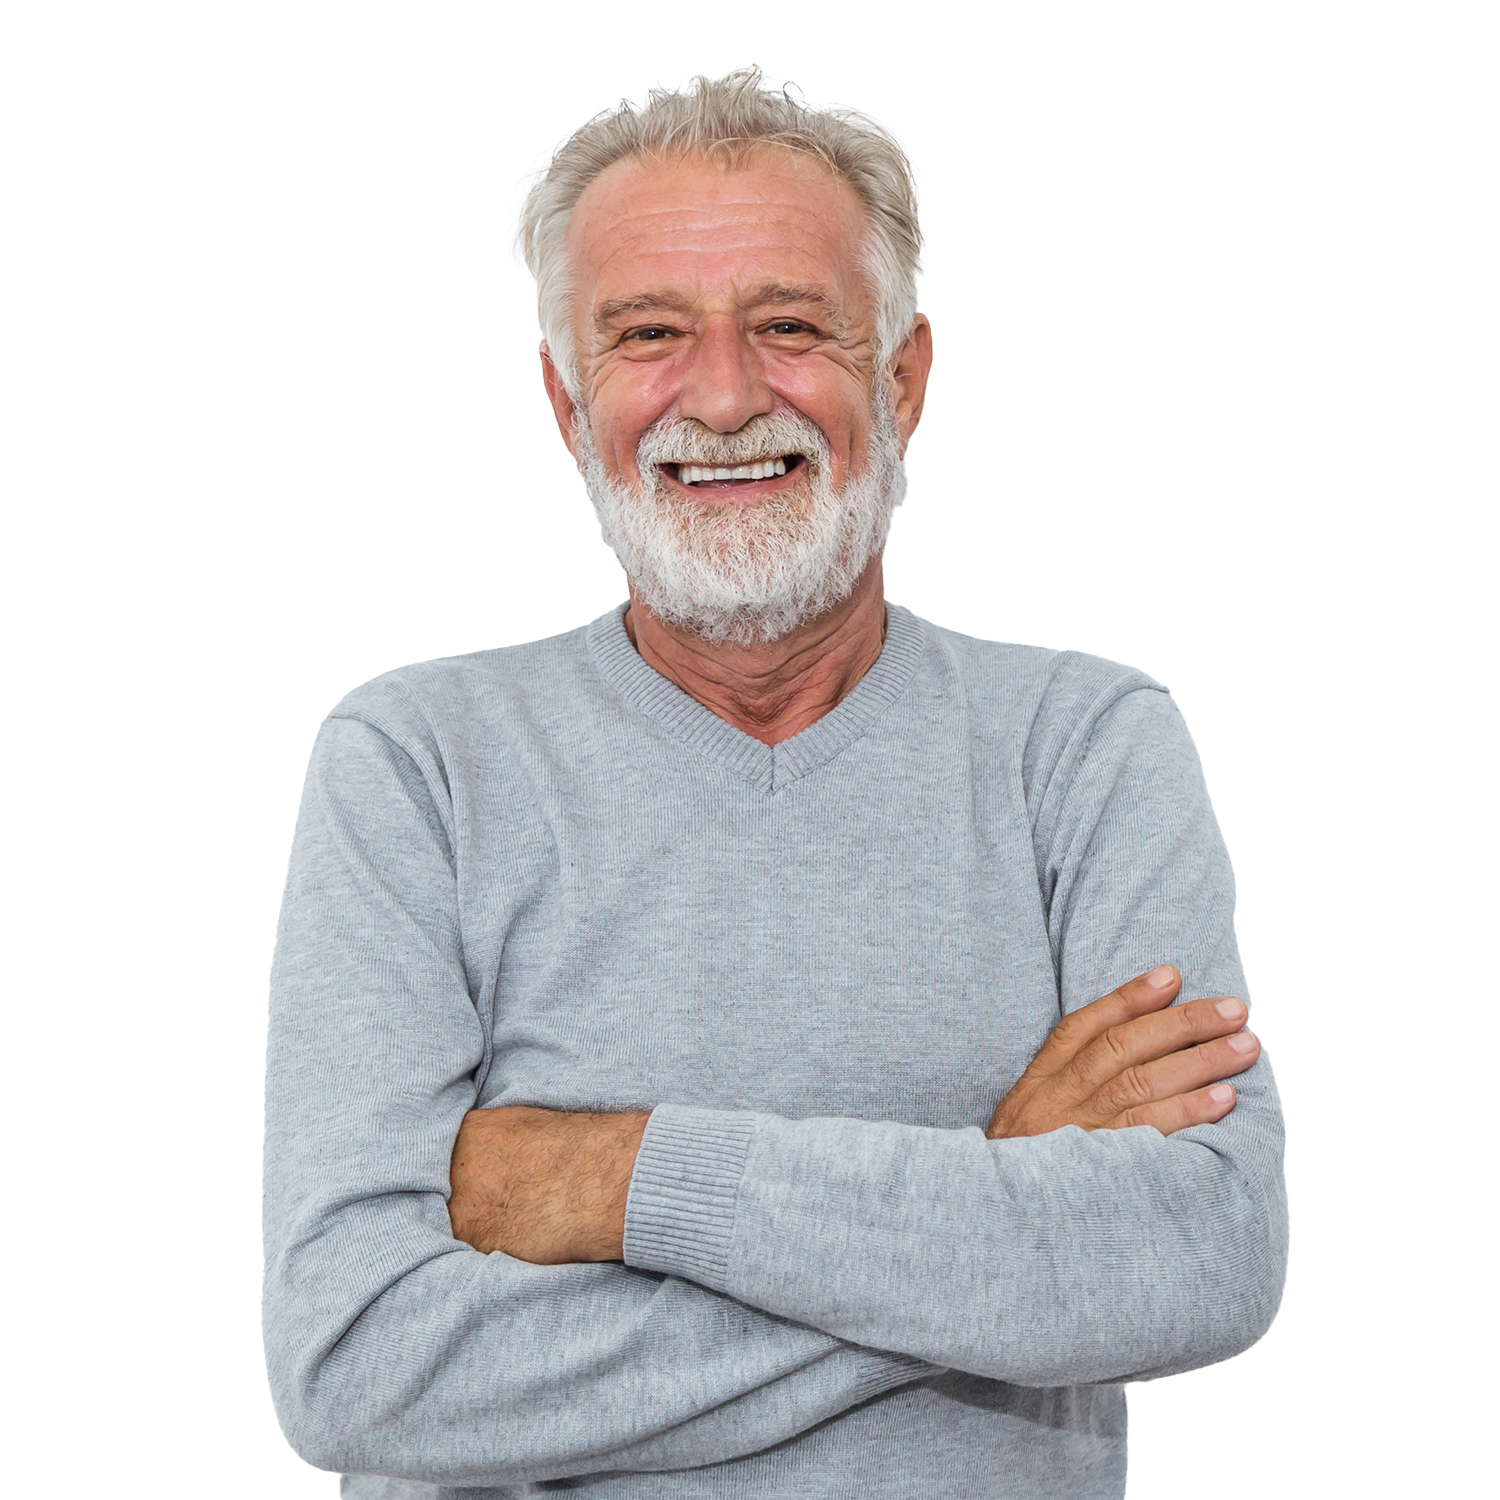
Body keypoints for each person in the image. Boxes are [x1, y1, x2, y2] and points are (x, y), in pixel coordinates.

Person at [264, 67, 1287, 1500]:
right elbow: (360, 1362)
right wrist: (998, 1189)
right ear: (570, 403)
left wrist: (624, 1179)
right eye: (650, 336)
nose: (728, 395)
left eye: (793, 328)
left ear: (904, 380)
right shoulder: (418, 768)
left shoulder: (1083, 746)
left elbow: (1201, 1255)